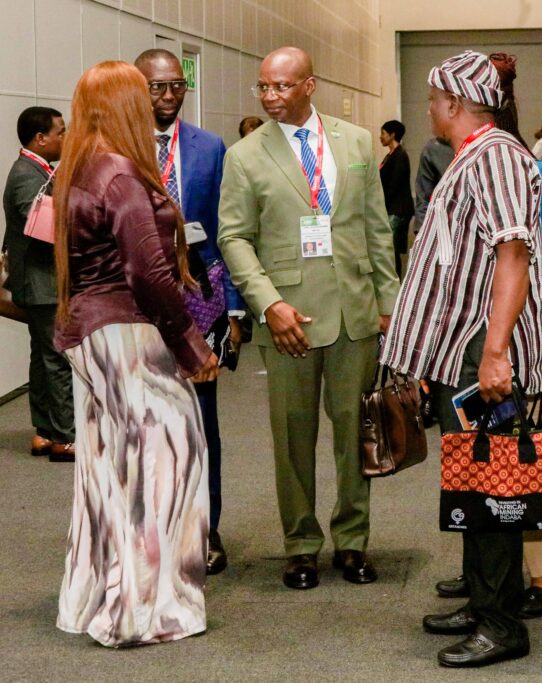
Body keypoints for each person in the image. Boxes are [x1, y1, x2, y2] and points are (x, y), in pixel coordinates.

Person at [381, 50, 542, 668]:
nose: (428, 109)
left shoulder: (497, 155)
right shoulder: (473, 155)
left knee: (493, 484)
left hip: (484, 351)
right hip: (465, 350)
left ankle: (502, 625)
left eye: (432, 99)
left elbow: (513, 255)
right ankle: (482, 600)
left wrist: (496, 352)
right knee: (473, 481)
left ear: (453, 102)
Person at [218, 46, 399, 590]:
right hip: (288, 317)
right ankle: (300, 544)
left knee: (356, 433)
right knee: (292, 436)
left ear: (309, 85)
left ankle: (352, 540)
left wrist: (388, 304)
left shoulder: (357, 142)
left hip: (353, 312)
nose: (270, 96)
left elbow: (376, 228)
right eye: (263, 87)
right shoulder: (245, 155)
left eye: (281, 86)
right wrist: (268, 303)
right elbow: (234, 237)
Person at [51, 60, 218, 647]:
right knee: (163, 469)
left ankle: (95, 598)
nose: (153, 104)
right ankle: (145, 609)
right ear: (126, 105)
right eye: (143, 96)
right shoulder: (120, 173)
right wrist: (192, 346)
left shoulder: (79, 166)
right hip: (127, 334)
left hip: (91, 334)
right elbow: (147, 274)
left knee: (106, 471)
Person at [135, 49, 243, 576]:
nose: (169, 96)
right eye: (157, 87)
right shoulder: (119, 146)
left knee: (201, 420)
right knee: (144, 421)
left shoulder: (209, 146)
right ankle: (151, 530)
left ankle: (205, 528)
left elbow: (226, 230)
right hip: (136, 305)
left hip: (200, 297)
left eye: (177, 85)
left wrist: (235, 308)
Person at [2, 106, 75, 463]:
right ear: (40, 138)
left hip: (41, 280)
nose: (66, 137)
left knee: (43, 357)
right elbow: (43, 227)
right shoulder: (26, 174)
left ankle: (45, 433)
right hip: (42, 282)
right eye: (61, 132)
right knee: (57, 358)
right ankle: (64, 437)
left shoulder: (37, 169)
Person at [378, 119, 414, 276]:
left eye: (383, 133)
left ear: (392, 135)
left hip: (397, 209)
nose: (380, 137)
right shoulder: (390, 155)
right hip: (392, 208)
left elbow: (394, 184)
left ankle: (395, 279)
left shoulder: (400, 156)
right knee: (391, 249)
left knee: (390, 249)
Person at [412, 136, 454, 231]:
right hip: (444, 229)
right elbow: (424, 198)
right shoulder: (433, 149)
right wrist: (422, 231)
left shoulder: (483, 143)